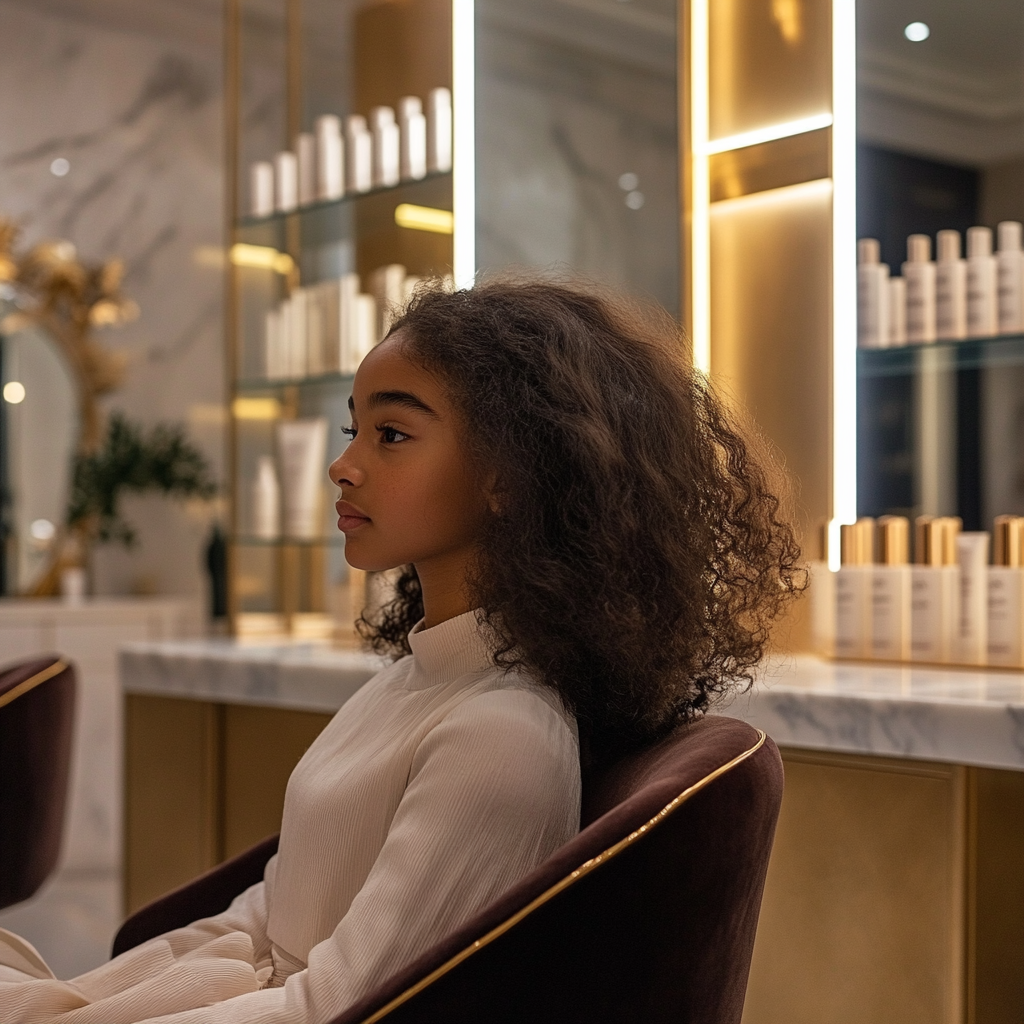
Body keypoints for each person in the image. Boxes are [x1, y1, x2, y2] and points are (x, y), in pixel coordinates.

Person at [0, 277, 803, 1022]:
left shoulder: (503, 737)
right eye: (355, 429)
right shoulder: (415, 684)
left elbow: (336, 1011)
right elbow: (261, 918)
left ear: (511, 475)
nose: (342, 467)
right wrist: (75, 1004)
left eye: (391, 434)